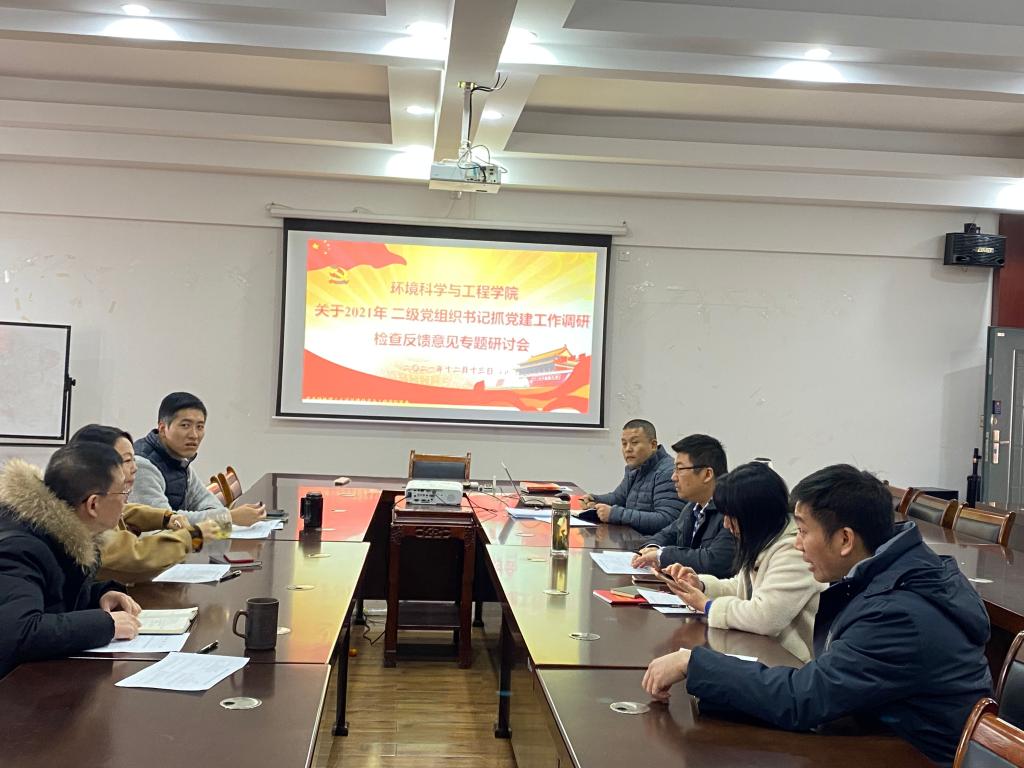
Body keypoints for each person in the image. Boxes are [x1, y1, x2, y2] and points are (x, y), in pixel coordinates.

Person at [641, 464, 992, 766]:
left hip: (908, 756)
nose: (797, 544)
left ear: (844, 540)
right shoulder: (888, 573)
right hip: (872, 734)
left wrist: (695, 664)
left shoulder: (897, 614)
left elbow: (804, 698)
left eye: (804, 531)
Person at [0, 443, 143, 678]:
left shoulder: (59, 534)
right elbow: (18, 633)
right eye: (123, 493)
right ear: (93, 504)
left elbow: (52, 599)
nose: (126, 502)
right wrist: (105, 624)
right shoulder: (19, 548)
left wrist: (98, 596)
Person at [660, 461, 824, 662]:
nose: (726, 524)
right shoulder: (765, 539)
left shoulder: (794, 552)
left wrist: (708, 606)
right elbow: (740, 587)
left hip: (789, 663)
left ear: (754, 516)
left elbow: (765, 617)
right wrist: (700, 585)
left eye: (731, 517)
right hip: (759, 651)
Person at [70, 424, 217, 581]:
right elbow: (137, 554)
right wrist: (194, 537)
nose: (134, 468)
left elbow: (124, 511)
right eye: (127, 460)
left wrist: (166, 518)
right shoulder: (83, 523)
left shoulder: (85, 499)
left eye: (133, 459)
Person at [131, 391, 264, 526]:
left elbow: (209, 503)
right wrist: (228, 517)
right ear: (162, 428)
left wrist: (223, 516)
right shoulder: (142, 466)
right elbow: (165, 522)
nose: (194, 435)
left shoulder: (179, 460)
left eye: (199, 427)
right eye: (185, 425)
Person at [630, 434, 736, 577]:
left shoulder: (730, 511)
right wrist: (652, 547)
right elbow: (668, 534)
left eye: (679, 469)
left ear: (707, 474)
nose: (673, 477)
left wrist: (661, 555)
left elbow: (715, 561)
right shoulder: (693, 506)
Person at [579, 419, 684, 535]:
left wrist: (615, 514)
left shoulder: (667, 472)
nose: (628, 449)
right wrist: (595, 499)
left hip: (651, 543)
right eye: (624, 444)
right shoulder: (635, 468)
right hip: (632, 537)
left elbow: (667, 520)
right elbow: (618, 497)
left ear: (653, 445)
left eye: (634, 443)